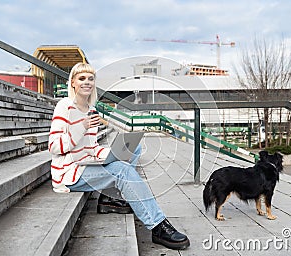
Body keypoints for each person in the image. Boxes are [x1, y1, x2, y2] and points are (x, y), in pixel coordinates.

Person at [48, 62, 190, 250]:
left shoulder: (91, 110)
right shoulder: (64, 106)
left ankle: (111, 197)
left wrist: (112, 153)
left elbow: (92, 148)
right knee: (122, 171)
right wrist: (81, 127)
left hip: (85, 163)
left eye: (90, 78)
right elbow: (54, 147)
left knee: (133, 149)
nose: (87, 82)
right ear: (73, 82)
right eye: (81, 78)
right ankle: (158, 226)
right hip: (69, 172)